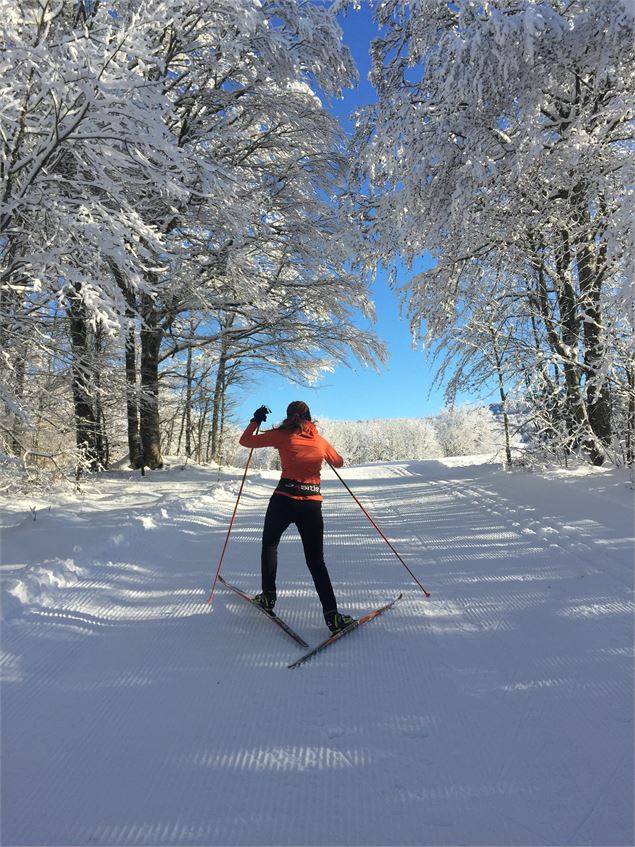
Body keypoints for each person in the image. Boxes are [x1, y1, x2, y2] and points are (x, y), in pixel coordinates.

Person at [239, 400, 356, 633]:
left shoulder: (282, 435)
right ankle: (332, 616)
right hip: (311, 505)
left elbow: (246, 441)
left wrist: (256, 421)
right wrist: (319, 452)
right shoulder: (319, 440)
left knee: (270, 545)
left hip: (283, 500)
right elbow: (340, 462)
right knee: (316, 561)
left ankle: (268, 597)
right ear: (310, 417)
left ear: (288, 416)